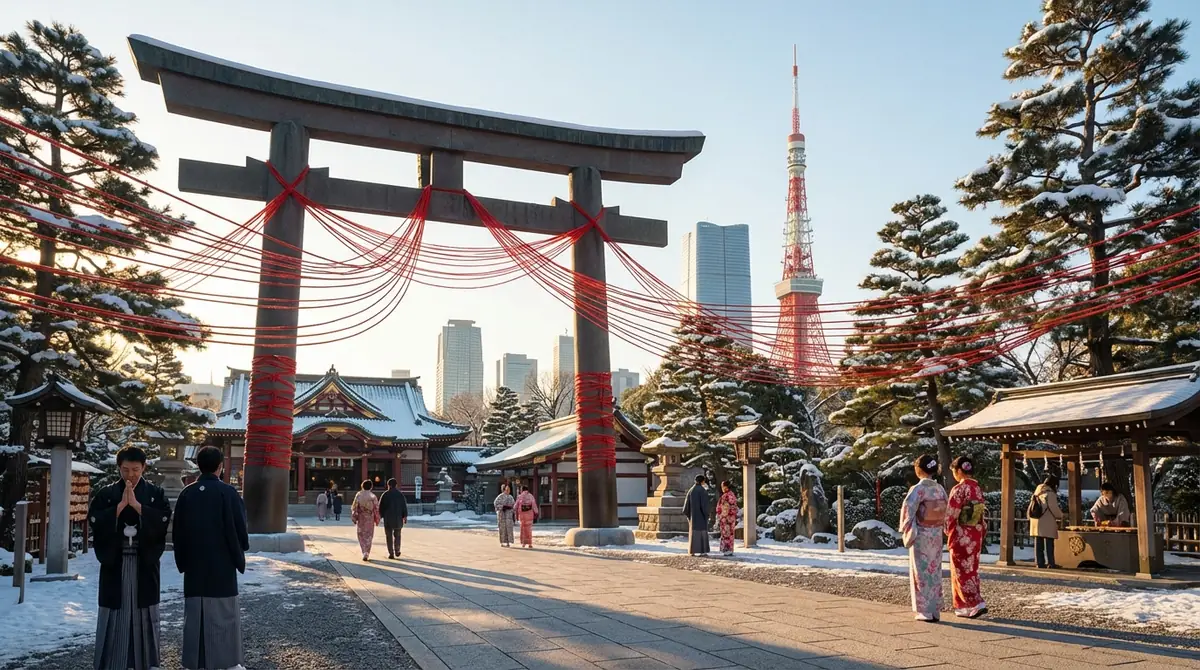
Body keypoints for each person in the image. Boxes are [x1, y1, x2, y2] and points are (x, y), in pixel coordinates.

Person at [90, 446, 172, 670]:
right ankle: (112, 662)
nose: (130, 475)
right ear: (119, 468)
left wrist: (137, 506)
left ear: (144, 467)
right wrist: (118, 509)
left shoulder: (155, 493)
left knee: (143, 610)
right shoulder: (106, 494)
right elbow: (95, 520)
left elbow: (164, 519)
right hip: (115, 562)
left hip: (143, 560)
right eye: (125, 470)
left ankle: (145, 662)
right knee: (115, 611)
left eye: (136, 469)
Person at [172, 445, 250, 670]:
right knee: (223, 614)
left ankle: (195, 661)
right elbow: (239, 527)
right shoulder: (228, 492)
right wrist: (240, 548)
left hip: (195, 567)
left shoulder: (187, 493)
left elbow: (178, 532)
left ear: (198, 465)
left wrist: (183, 560)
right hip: (222, 565)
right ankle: (225, 661)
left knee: (195, 613)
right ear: (220, 466)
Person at [899, 453, 947, 622]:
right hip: (936, 534)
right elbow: (945, 512)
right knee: (935, 571)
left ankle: (924, 610)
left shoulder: (918, 489)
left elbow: (908, 512)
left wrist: (907, 529)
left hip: (921, 534)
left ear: (919, 470)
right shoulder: (939, 489)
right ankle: (934, 610)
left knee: (921, 571)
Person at [944, 455, 987, 619]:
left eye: (955, 471)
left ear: (959, 471)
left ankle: (974, 603)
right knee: (972, 570)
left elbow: (951, 514)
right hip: (975, 533)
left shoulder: (959, 489)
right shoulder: (977, 488)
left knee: (961, 571)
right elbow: (981, 513)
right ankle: (963, 606)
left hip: (961, 535)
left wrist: (948, 530)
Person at [1031, 474, 1063, 569]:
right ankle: (1051, 563)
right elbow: (1054, 508)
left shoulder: (1037, 491)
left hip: (1036, 519)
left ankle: (1039, 562)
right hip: (1047, 520)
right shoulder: (1050, 493)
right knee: (1049, 542)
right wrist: (1061, 516)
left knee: (1038, 542)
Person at [378, 478, 408, 559]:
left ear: (388, 485)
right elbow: (404, 506)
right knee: (397, 535)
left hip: (388, 518)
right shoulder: (400, 495)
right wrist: (405, 516)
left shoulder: (385, 494)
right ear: (396, 485)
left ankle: (391, 553)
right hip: (398, 518)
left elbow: (380, 507)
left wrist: (380, 516)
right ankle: (397, 550)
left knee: (389, 536)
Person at [351, 480, 380, 561]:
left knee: (361, 534)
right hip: (370, 518)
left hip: (361, 517)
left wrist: (354, 517)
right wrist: (377, 519)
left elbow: (354, 507)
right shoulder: (373, 496)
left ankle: (364, 551)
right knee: (369, 535)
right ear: (371, 487)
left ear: (362, 486)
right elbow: (376, 508)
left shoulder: (359, 495)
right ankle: (367, 552)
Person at [682, 474, 711, 557]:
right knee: (702, 533)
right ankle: (703, 551)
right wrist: (707, 514)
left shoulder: (691, 491)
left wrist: (689, 515)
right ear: (702, 481)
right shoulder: (702, 491)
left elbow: (686, 507)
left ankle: (692, 551)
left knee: (693, 534)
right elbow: (704, 506)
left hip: (692, 517)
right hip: (701, 517)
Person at [715, 480, 739, 556]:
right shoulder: (732, 495)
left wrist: (721, 514)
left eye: (722, 486)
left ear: (725, 487)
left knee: (726, 533)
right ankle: (730, 549)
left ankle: (727, 549)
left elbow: (723, 507)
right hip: (731, 517)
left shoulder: (725, 496)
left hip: (726, 517)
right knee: (730, 534)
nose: (722, 488)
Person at [494, 483, 516, 548]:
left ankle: (508, 542)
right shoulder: (500, 497)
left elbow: (514, 505)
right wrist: (502, 507)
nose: (508, 491)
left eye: (509, 489)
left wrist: (511, 509)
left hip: (509, 515)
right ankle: (502, 542)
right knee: (502, 529)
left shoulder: (511, 497)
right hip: (502, 515)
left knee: (509, 529)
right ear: (503, 490)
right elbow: (496, 504)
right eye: (507, 489)